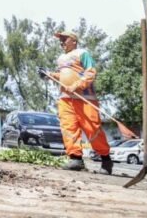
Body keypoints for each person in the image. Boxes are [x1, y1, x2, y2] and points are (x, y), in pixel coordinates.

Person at [40, 30, 112, 173]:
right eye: (60, 39)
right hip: (65, 99)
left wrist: (76, 85)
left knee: (93, 130)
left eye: (64, 39)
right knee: (68, 128)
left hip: (85, 99)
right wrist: (49, 75)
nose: (61, 42)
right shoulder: (60, 58)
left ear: (74, 40)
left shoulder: (82, 53)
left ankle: (106, 160)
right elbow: (62, 76)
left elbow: (90, 73)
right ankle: (75, 159)